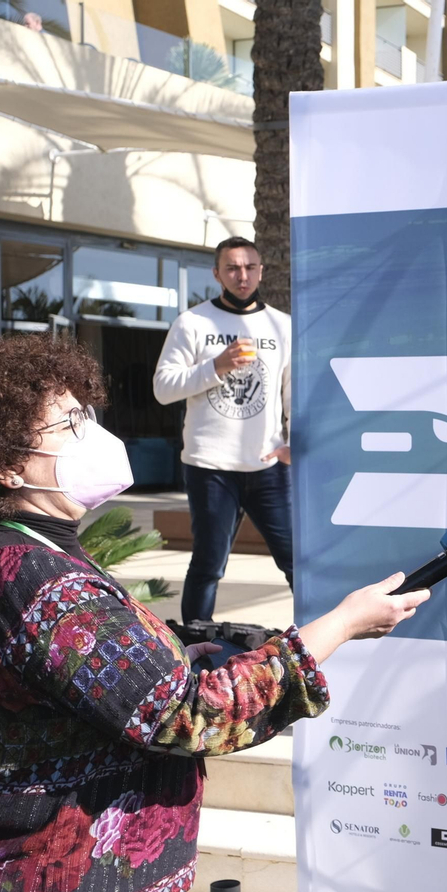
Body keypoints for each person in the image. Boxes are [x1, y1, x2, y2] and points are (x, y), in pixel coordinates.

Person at [0, 335, 428, 892]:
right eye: (69, 423)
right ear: (5, 468)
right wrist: (342, 625)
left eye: (86, 414)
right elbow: (191, 716)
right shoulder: (32, 578)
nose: (92, 434)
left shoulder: (24, 561)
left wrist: (173, 652)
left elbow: (90, 680)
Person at [152, 236, 293, 624]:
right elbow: (163, 388)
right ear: (217, 273)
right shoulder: (193, 323)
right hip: (209, 465)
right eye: (232, 267)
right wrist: (216, 367)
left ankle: (316, 640)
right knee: (209, 565)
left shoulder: (282, 326)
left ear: (261, 271)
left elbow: (292, 389)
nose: (242, 275)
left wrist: (292, 441)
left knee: (296, 561)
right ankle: (195, 646)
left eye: (249, 267)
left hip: (267, 466)